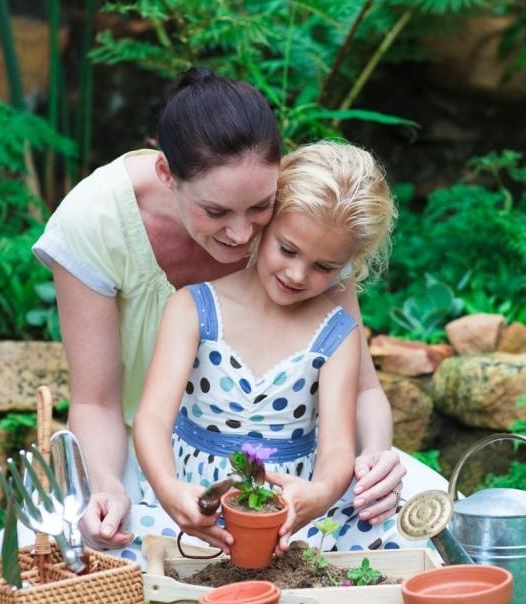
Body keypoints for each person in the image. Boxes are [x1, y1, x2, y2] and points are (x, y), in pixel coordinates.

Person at [33, 67, 435, 554]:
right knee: (88, 538)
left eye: (259, 208)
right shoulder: (97, 221)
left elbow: (362, 390)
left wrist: (372, 460)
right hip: (146, 455)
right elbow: (97, 402)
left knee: (420, 519)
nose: (242, 235)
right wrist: (109, 488)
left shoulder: (308, 220)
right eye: (216, 212)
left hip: (294, 468)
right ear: (167, 175)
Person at [132, 141, 424, 559]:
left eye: (324, 267)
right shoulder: (195, 307)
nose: (297, 274)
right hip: (196, 500)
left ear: (347, 264)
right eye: (287, 249)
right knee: (128, 544)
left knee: (389, 545)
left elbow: (338, 448)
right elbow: (153, 417)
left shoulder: (335, 331)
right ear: (264, 223)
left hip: (291, 510)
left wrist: (320, 494)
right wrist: (168, 488)